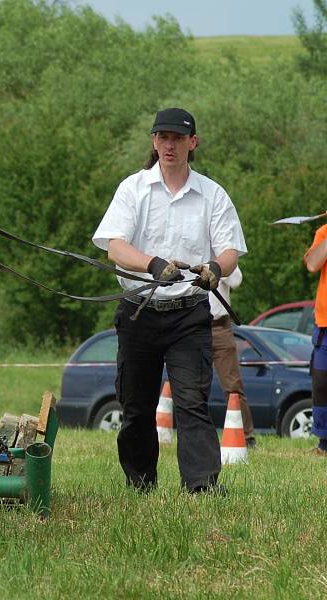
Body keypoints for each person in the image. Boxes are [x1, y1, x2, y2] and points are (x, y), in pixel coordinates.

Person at [92, 107, 247, 494]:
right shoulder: (133, 189)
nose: (169, 145)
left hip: (190, 311)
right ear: (154, 141)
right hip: (139, 310)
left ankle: (201, 486)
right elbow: (114, 246)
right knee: (137, 407)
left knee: (193, 401)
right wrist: (152, 263)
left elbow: (230, 252)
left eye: (178, 138)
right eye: (162, 137)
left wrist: (215, 267)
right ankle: (140, 483)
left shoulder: (212, 194)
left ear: (192, 143)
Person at [209, 265, 255, 448]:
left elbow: (236, 280)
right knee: (192, 386)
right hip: (191, 325)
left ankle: (247, 437)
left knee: (232, 385)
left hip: (219, 325)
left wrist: (218, 262)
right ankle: (198, 437)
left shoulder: (222, 256)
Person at [303, 225, 327, 455]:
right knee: (321, 382)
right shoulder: (323, 232)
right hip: (325, 325)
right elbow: (312, 264)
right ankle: (323, 442)